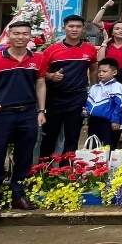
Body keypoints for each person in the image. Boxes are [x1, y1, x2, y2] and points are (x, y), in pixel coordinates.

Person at [0, 20, 47, 219]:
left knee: (24, 157)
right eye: (16, 33)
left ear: (30, 36)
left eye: (25, 33)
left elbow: (41, 85)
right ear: (8, 35)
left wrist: (41, 111)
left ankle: (18, 195)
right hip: (1, 115)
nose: (21, 37)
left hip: (28, 113)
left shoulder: (38, 59)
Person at [41, 14, 97, 158]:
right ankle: (44, 168)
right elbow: (41, 74)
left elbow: (93, 69)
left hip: (78, 97)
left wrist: (94, 90)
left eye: (78, 26)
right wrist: (51, 76)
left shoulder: (90, 49)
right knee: (49, 136)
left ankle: (68, 168)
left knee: (73, 137)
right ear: (64, 28)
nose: (74, 29)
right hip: (55, 98)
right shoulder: (51, 50)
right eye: (71, 26)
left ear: (83, 29)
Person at [84, 58, 122, 149]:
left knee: (109, 146)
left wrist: (116, 120)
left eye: (104, 71)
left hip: (109, 122)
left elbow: (119, 106)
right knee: (93, 145)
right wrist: (85, 112)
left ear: (114, 72)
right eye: (99, 71)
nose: (101, 74)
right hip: (94, 120)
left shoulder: (118, 87)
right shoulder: (94, 87)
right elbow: (88, 103)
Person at [98, 21, 122, 86]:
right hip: (108, 76)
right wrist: (105, 42)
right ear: (112, 32)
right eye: (117, 29)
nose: (121, 31)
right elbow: (99, 60)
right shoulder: (107, 46)